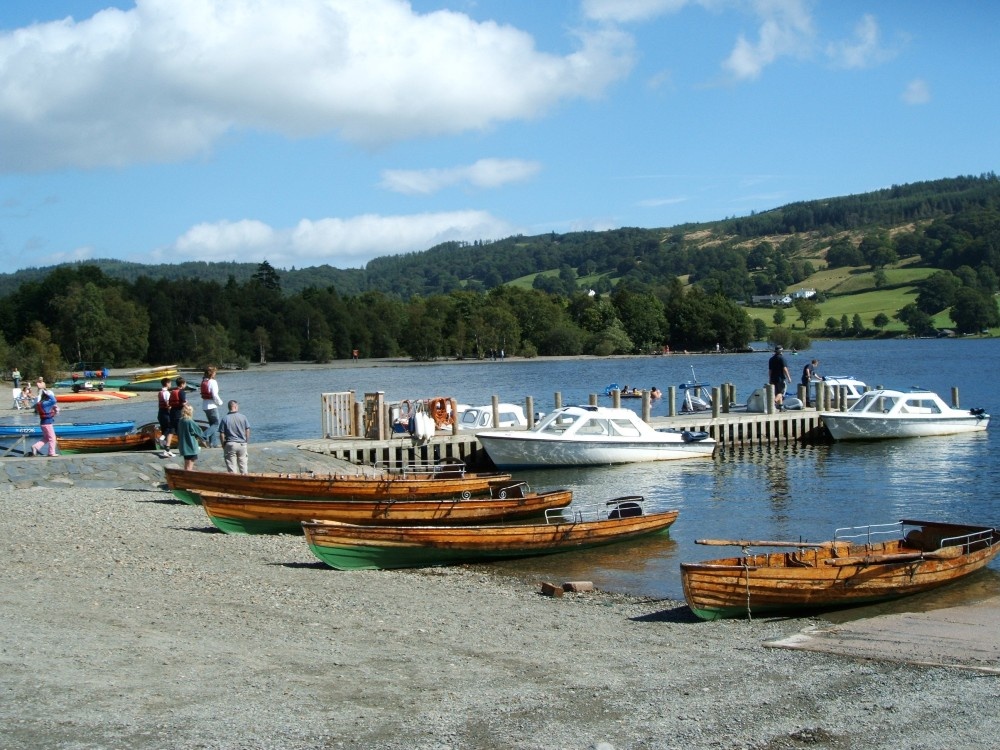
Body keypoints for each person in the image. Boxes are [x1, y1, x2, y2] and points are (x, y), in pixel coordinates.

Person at [218, 400, 251, 474]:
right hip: (242, 444)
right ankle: (245, 481)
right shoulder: (243, 417)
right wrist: (246, 441)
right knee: (243, 466)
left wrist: (223, 444)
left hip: (230, 444)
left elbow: (221, 433)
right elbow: (247, 430)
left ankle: (234, 482)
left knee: (232, 467)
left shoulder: (225, 418)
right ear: (235, 406)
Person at [30, 378, 58, 456]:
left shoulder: (41, 403)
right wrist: (48, 393)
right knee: (52, 438)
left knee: (46, 438)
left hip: (43, 423)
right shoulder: (46, 403)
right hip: (47, 423)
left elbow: (52, 405)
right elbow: (54, 400)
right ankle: (51, 452)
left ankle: (36, 447)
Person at [163, 377, 187, 458]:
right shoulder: (182, 392)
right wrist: (189, 407)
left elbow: (169, 402)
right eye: (185, 384)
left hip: (172, 413)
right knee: (180, 431)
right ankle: (182, 449)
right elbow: (183, 403)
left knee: (171, 431)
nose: (185, 385)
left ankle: (167, 449)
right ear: (182, 384)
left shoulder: (172, 391)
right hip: (178, 414)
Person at [176, 403, 205, 471]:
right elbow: (199, 432)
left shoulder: (180, 421)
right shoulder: (190, 421)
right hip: (191, 446)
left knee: (186, 465)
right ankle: (188, 479)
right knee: (190, 465)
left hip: (183, 446)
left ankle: (185, 478)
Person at [199, 366, 223, 447]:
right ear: (212, 373)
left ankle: (213, 444)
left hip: (205, 406)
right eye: (215, 372)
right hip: (212, 406)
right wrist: (220, 403)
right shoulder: (213, 382)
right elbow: (215, 395)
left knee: (212, 424)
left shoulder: (203, 381)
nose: (215, 374)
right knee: (216, 424)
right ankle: (203, 436)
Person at [156, 377, 174, 455]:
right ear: (167, 383)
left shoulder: (160, 392)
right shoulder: (167, 393)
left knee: (164, 429)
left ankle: (166, 450)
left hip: (160, 413)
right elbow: (168, 404)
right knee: (170, 428)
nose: (171, 384)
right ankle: (161, 438)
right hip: (166, 413)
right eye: (170, 383)